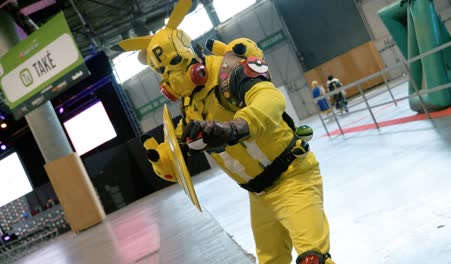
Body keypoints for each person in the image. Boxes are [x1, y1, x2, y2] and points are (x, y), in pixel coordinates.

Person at [115, 1, 335, 263]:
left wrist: (234, 128)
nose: (171, 78)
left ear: (190, 53)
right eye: (163, 72)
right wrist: (165, 158)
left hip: (292, 177)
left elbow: (270, 99)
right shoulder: (189, 105)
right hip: (259, 195)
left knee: (313, 258)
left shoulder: (230, 71)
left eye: (175, 63)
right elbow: (177, 160)